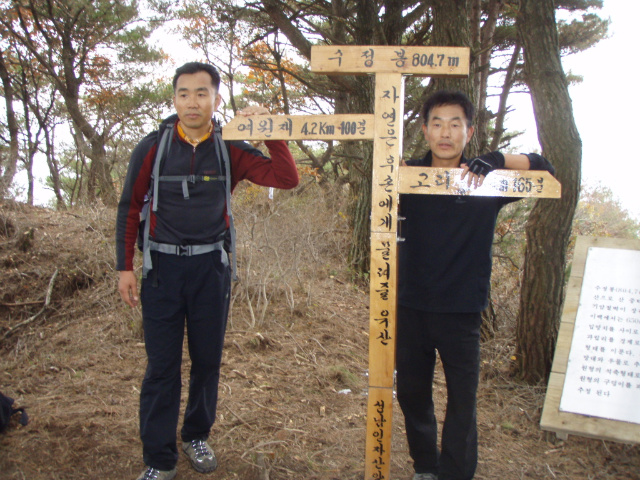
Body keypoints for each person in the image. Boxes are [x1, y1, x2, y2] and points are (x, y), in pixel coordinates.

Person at [115, 62, 299, 480]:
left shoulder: (229, 146)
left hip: (210, 268)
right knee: (161, 366)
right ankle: (159, 460)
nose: (192, 102)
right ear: (174, 99)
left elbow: (286, 178)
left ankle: (196, 434)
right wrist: (124, 267)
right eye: (183, 93)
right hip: (160, 268)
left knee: (206, 360)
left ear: (216, 99)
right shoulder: (153, 146)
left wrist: (270, 129)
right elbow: (129, 206)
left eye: (202, 93)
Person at [396, 90, 554, 480]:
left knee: (462, 401)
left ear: (468, 132)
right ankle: (425, 467)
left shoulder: (485, 180)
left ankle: (455, 472)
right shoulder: (406, 175)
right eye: (437, 123)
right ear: (425, 129)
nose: (445, 133)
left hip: (462, 311)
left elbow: (544, 167)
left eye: (455, 124)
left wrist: (498, 160)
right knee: (413, 394)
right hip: (410, 306)